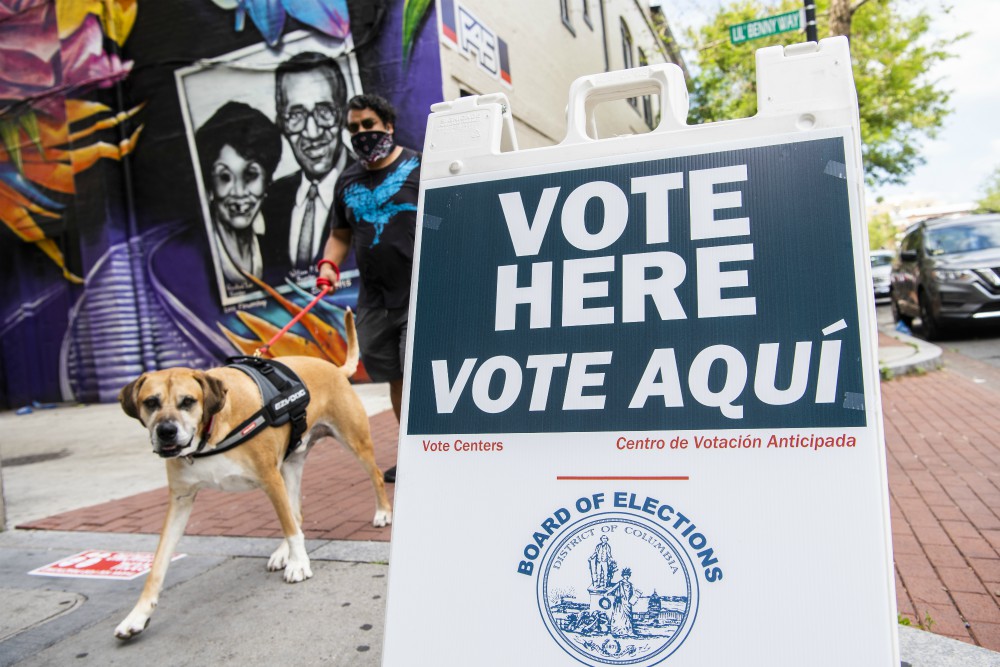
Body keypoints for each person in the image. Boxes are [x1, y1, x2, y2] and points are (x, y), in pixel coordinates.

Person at [317, 93, 420, 484]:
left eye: (369, 126)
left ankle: (437, 454)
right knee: (396, 378)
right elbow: (339, 234)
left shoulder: (418, 165)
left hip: (419, 293)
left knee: (415, 378)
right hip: (375, 300)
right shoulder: (348, 180)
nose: (361, 134)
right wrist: (329, 265)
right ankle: (413, 453)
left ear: (388, 126)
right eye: (354, 128)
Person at [262, 52, 350, 282]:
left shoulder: (374, 186)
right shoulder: (270, 200)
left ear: (341, 114)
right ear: (281, 122)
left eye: (324, 112)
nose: (312, 132)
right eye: (296, 115)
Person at [195, 101, 282, 297]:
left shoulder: (276, 251)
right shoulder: (195, 256)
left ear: (267, 181)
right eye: (225, 177)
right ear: (210, 183)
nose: (239, 192)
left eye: (250, 175)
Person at [607, 568, 639, 638]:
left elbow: (633, 593)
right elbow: (613, 589)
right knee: (619, 616)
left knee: (628, 617)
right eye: (625, 575)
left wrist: (634, 600)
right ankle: (618, 631)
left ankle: (629, 631)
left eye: (628, 575)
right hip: (620, 602)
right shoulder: (620, 583)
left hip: (628, 603)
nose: (626, 576)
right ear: (623, 576)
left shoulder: (630, 584)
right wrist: (606, 593)